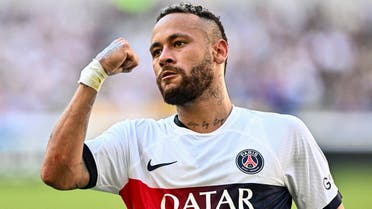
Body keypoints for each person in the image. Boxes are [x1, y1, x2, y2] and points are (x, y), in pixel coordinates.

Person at [41, 3, 344, 209]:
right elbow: (58, 172)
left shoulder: (282, 134)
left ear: (219, 51)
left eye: (179, 43)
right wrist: (95, 73)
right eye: (156, 50)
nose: (163, 57)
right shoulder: (134, 141)